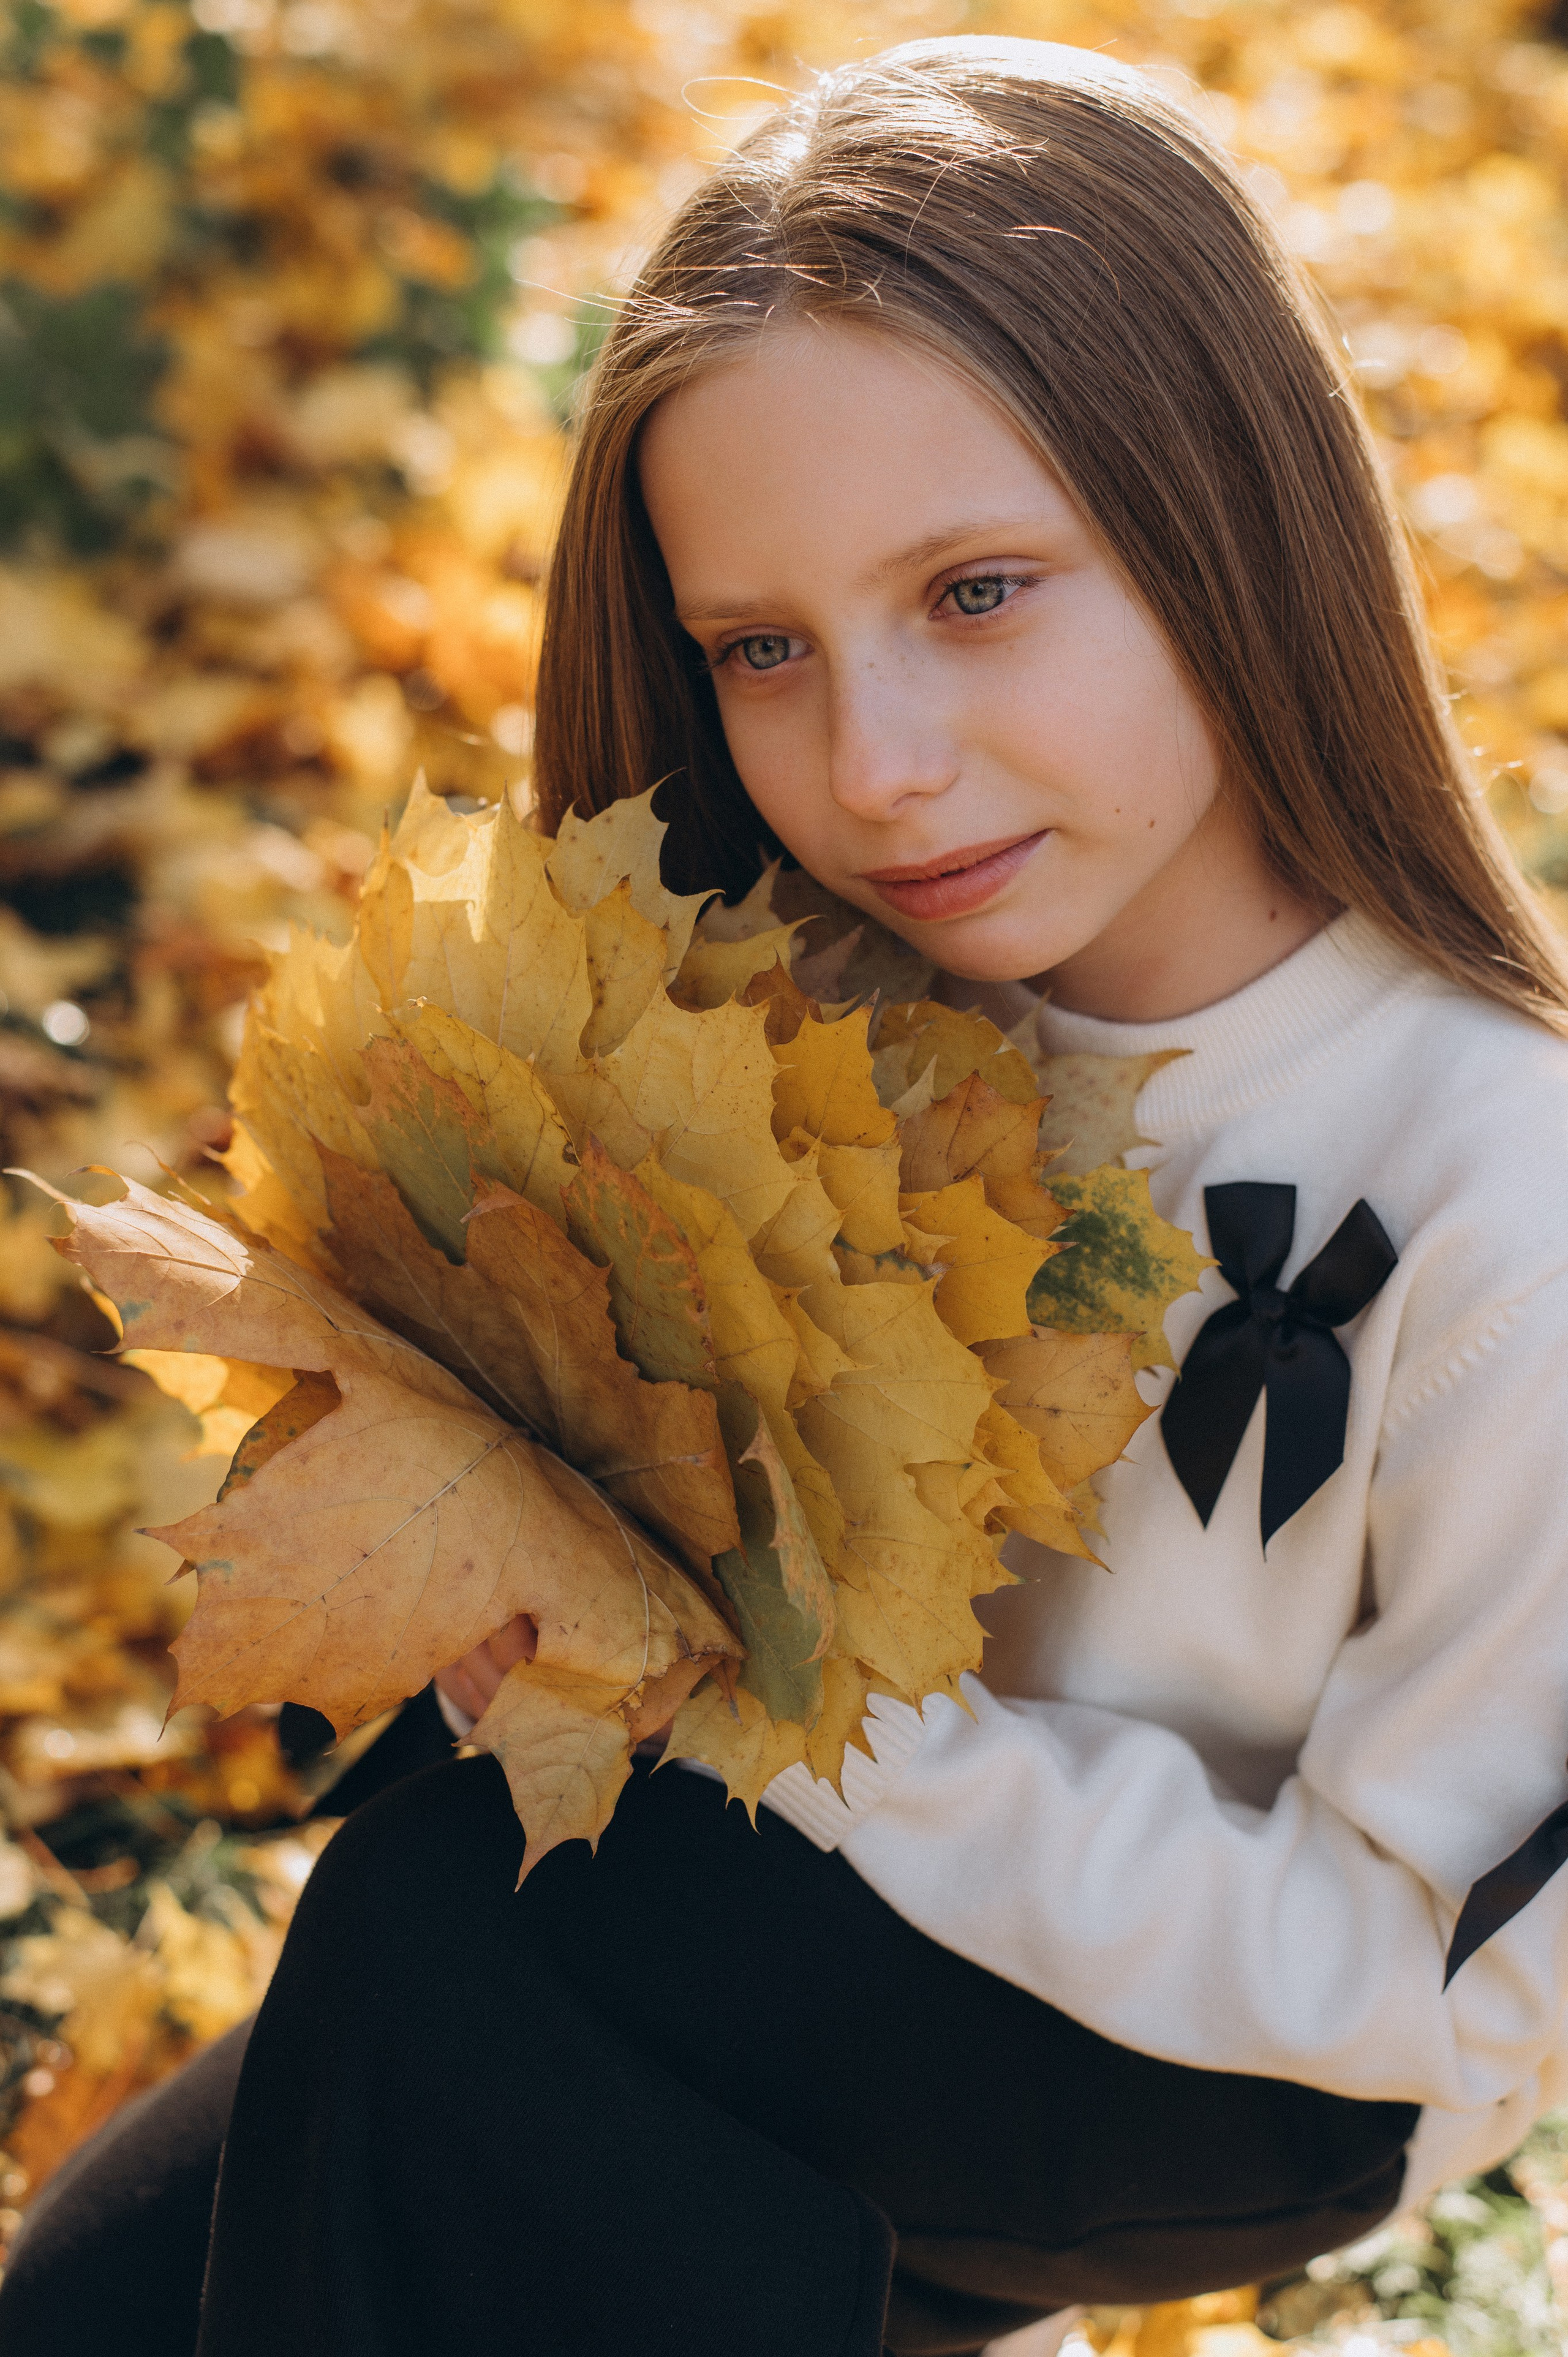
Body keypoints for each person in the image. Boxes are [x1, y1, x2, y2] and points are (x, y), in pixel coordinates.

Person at [7, 35, 1568, 2357]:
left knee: (465, 1949)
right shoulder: (811, 1009)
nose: (876, 764)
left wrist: (806, 1735)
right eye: (763, 647)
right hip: (783, 1876)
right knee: (111, 2300)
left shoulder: (1499, 1198)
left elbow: (1417, 1995)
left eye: (976, 593)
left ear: (1230, 515)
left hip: (1244, 2054)